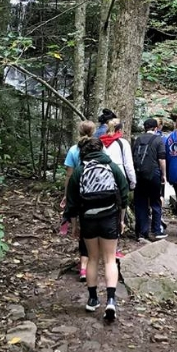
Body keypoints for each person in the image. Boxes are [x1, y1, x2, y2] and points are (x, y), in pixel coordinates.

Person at [64, 137, 129, 321]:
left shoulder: (79, 170)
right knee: (110, 260)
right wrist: (121, 220)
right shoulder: (112, 166)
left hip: (88, 219)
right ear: (101, 150)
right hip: (109, 217)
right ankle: (110, 301)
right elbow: (124, 194)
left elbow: (72, 202)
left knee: (92, 259)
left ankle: (92, 299)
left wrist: (75, 225)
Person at [60, 120, 97, 281]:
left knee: (83, 228)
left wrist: (66, 194)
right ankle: (93, 261)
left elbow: (69, 174)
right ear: (93, 132)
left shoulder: (74, 150)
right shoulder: (98, 148)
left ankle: (83, 266)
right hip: (96, 191)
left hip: (79, 193)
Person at [132, 118, 168, 242]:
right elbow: (162, 159)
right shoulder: (158, 140)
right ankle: (156, 230)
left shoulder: (138, 140)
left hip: (139, 175)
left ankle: (142, 232)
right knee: (155, 202)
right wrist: (164, 174)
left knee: (141, 203)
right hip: (153, 174)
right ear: (155, 128)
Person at [100, 119, 136, 239]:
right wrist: (133, 182)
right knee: (120, 205)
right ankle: (119, 227)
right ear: (119, 130)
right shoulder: (123, 143)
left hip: (102, 178)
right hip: (119, 178)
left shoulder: (101, 142)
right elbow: (128, 165)